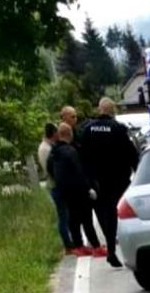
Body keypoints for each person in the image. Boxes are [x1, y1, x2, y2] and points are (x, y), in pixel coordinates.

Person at [79, 97, 139, 268]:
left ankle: (111, 250)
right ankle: (135, 245)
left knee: (107, 214)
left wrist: (89, 180)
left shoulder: (87, 130)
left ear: (99, 109)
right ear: (113, 111)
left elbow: (82, 157)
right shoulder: (118, 129)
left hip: (97, 181)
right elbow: (131, 154)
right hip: (118, 179)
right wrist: (139, 173)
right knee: (128, 211)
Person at [47, 123, 104, 257]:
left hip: (64, 191)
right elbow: (79, 172)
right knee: (87, 219)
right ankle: (96, 246)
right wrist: (88, 188)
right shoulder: (71, 151)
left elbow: (50, 169)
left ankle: (78, 246)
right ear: (69, 134)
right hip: (78, 191)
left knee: (73, 220)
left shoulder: (54, 152)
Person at [38, 123, 74, 253]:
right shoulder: (46, 149)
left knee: (66, 214)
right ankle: (68, 245)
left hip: (56, 184)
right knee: (63, 215)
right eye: (57, 132)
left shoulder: (49, 147)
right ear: (53, 133)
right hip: (55, 185)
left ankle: (70, 242)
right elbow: (51, 169)